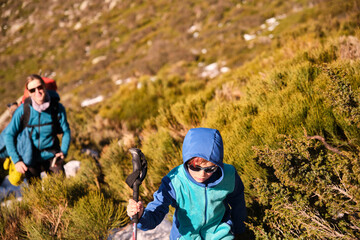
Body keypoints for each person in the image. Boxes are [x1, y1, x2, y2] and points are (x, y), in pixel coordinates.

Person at [127, 127, 247, 239]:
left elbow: (238, 202)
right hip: (185, 236)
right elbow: (156, 212)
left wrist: (240, 231)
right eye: (195, 167)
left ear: (217, 165)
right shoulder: (174, 181)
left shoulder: (229, 175)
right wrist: (141, 215)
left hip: (220, 235)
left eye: (210, 169)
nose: (202, 174)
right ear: (186, 161)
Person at [3, 74, 71, 182]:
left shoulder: (56, 108)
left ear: (44, 87)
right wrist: (16, 161)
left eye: (40, 87)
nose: (37, 92)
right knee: (36, 195)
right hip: (29, 157)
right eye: (32, 90)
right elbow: (9, 135)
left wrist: (63, 151)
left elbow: (66, 131)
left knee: (62, 191)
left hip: (52, 155)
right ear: (29, 93)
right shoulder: (23, 110)